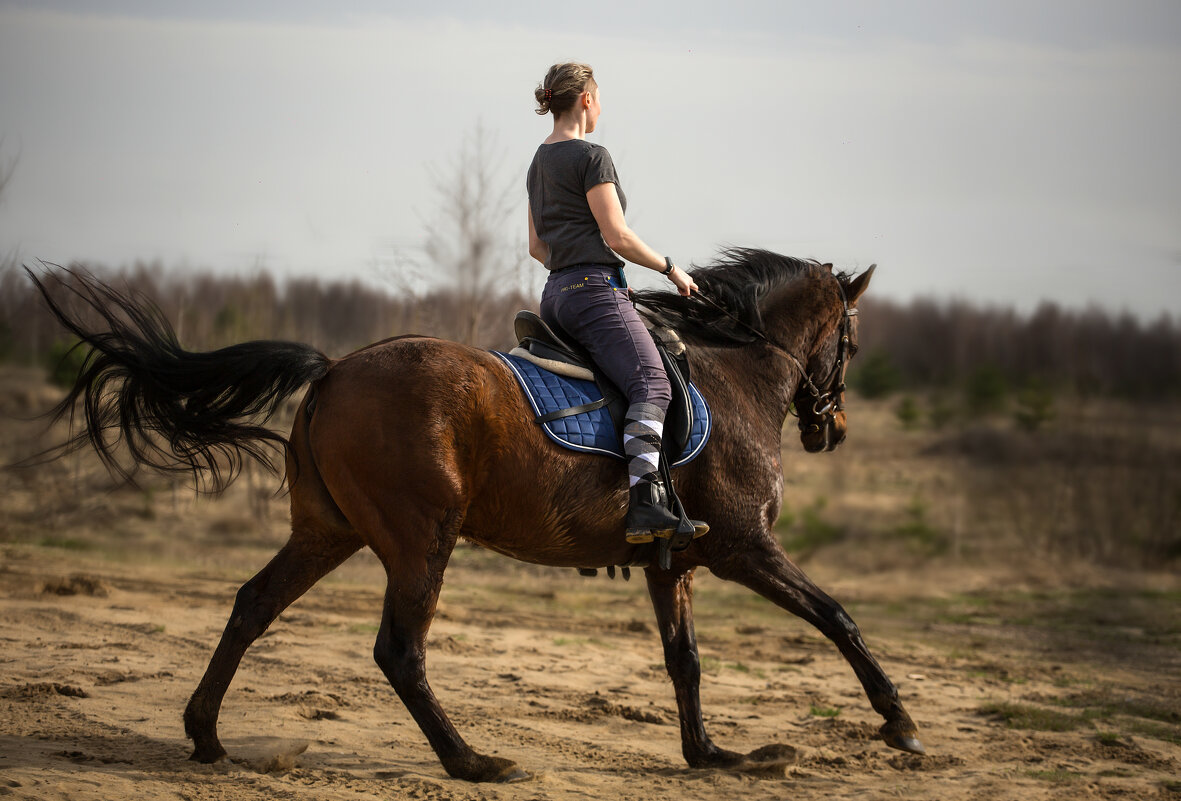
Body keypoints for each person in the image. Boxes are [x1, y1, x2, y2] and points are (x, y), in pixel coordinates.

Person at [526, 62, 706, 544]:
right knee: (653, 382)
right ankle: (647, 501)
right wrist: (671, 268)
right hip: (594, 294)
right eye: (599, 96)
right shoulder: (592, 155)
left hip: (554, 297)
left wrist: (570, 259)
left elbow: (536, 248)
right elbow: (618, 234)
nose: (601, 104)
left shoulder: (537, 163)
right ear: (586, 99)